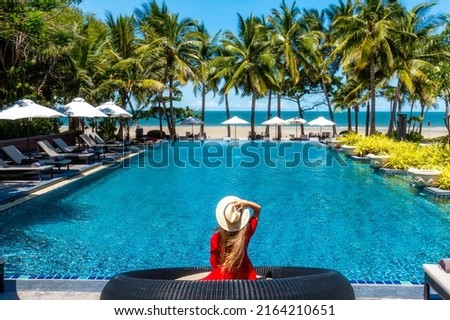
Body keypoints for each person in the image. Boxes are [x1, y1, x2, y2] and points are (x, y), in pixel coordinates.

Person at [203, 196, 261, 280]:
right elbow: (258, 210)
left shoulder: (216, 237)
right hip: (246, 274)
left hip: (224, 275)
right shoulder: (246, 233)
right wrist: (245, 203)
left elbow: (214, 260)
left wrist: (216, 272)